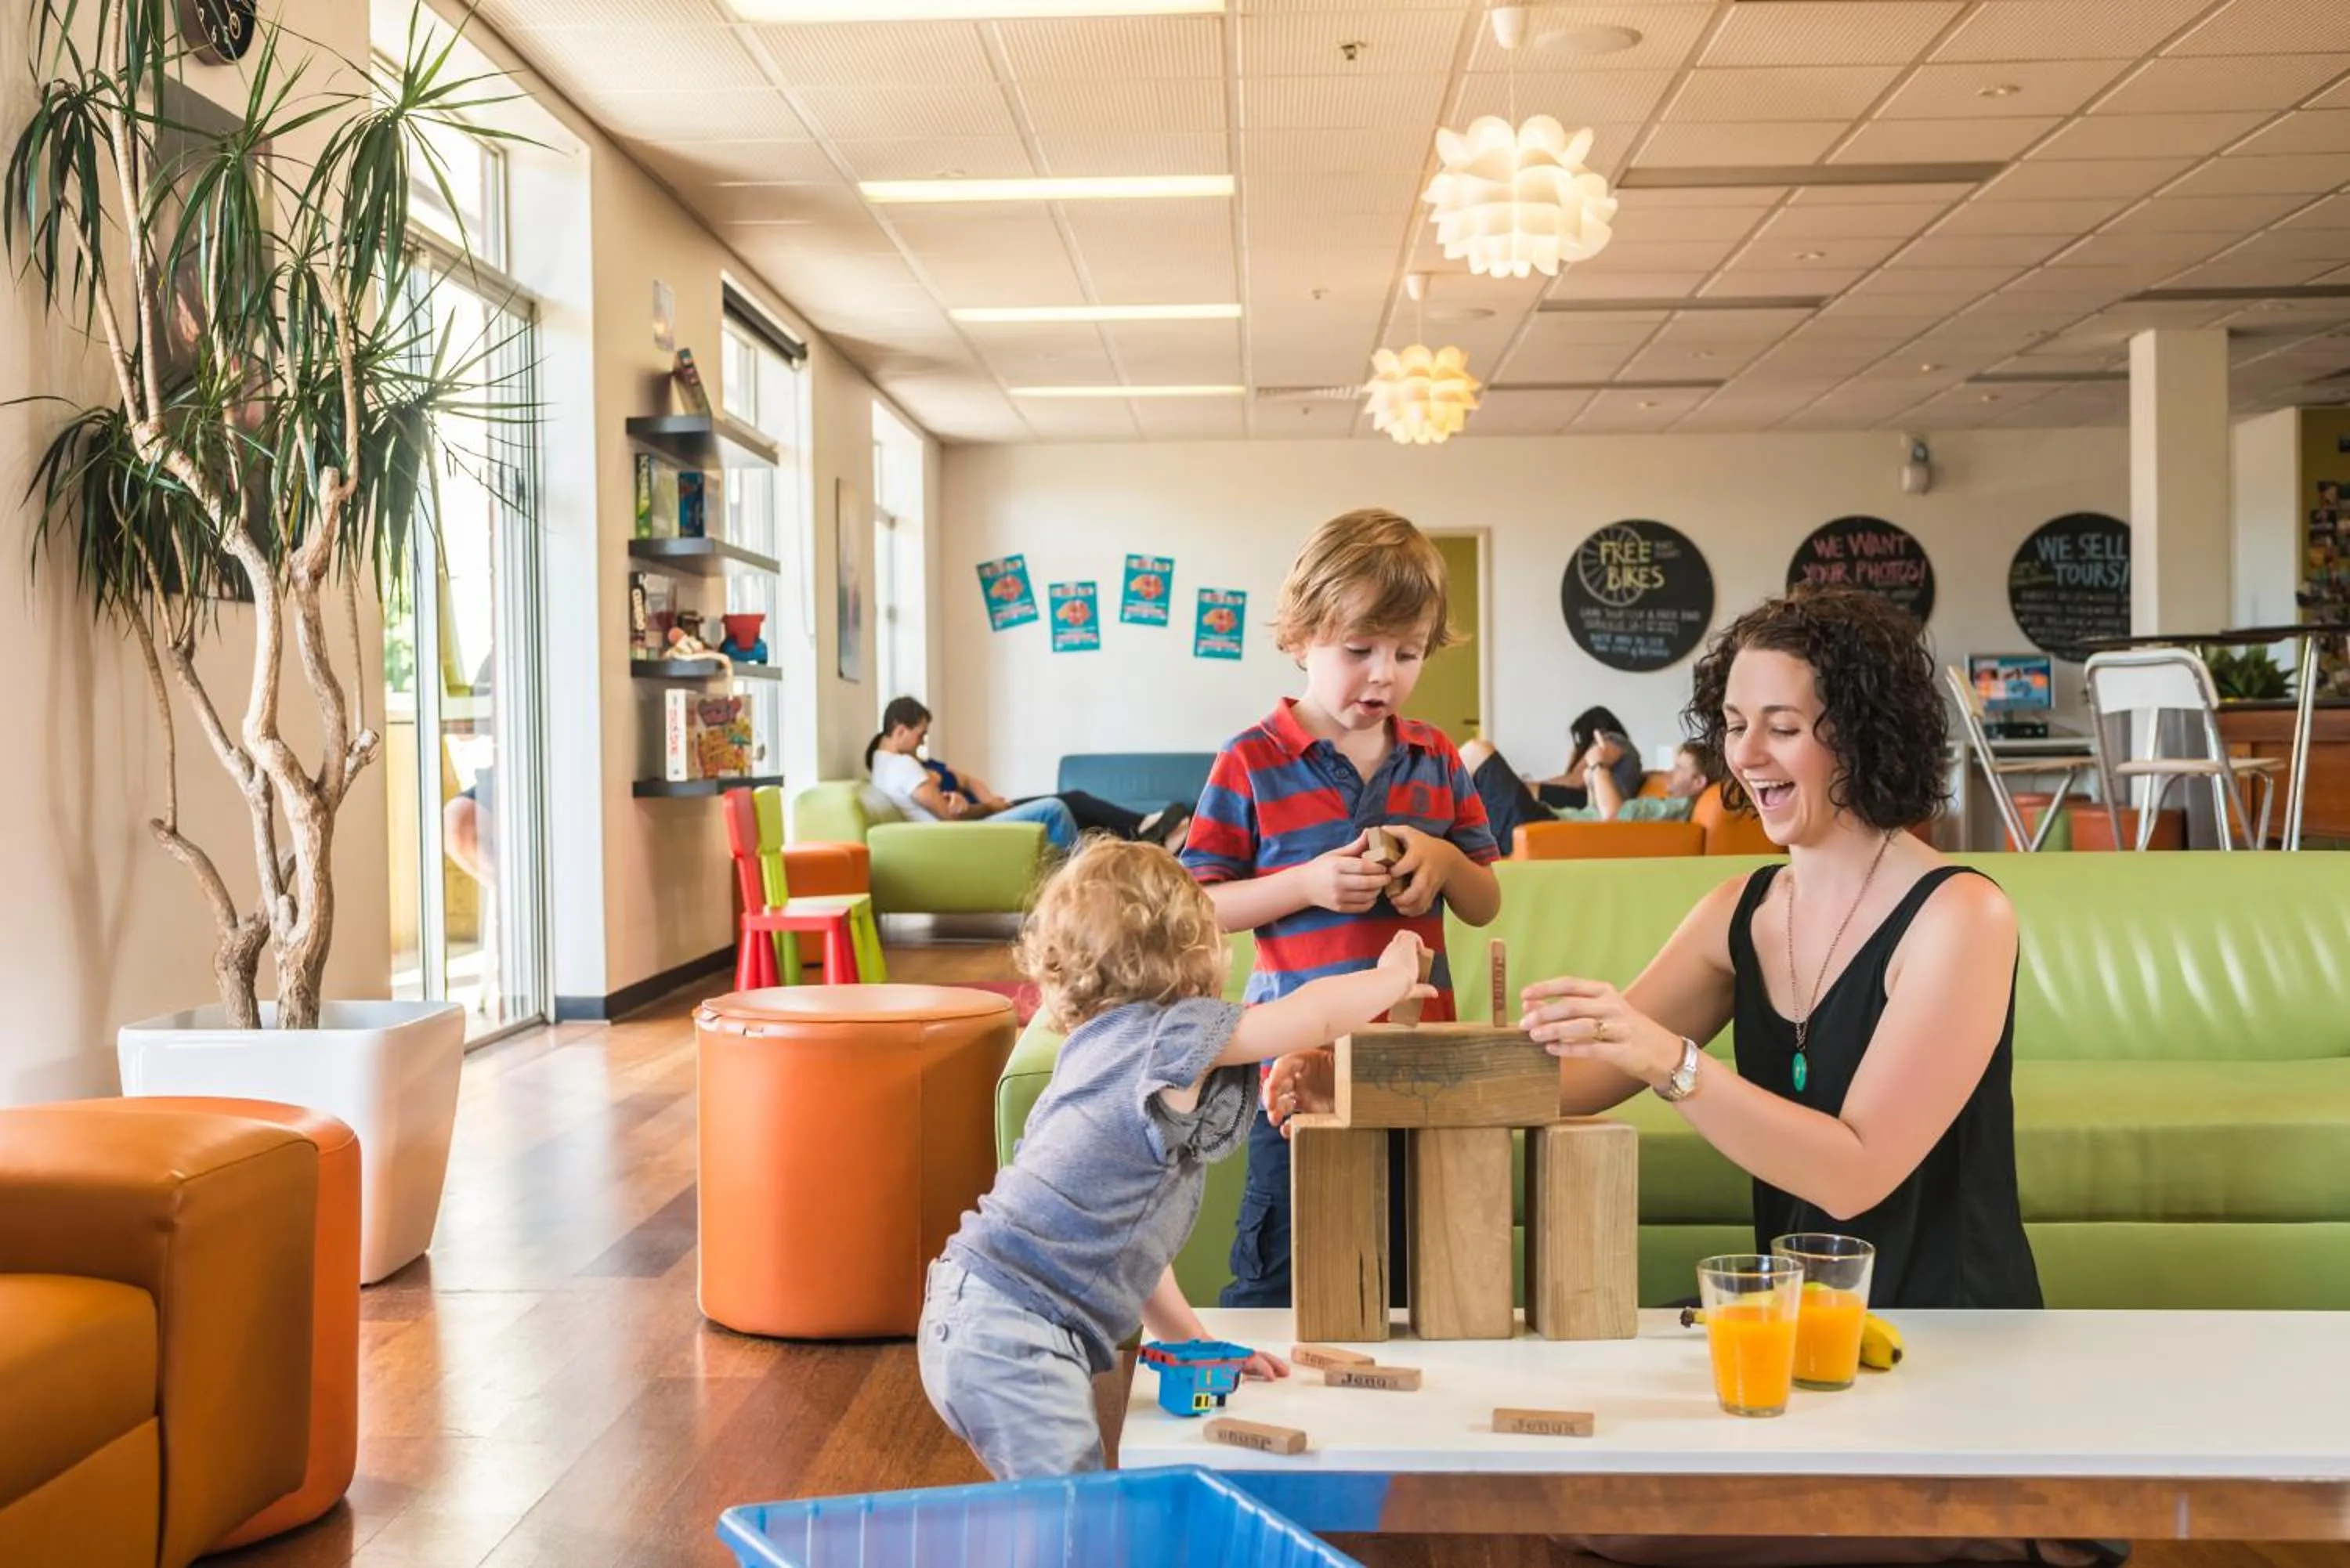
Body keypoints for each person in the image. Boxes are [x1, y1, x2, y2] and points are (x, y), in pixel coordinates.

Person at [1498, 587, 2092, 1567]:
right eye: (1734, 725)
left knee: (1606, 1528)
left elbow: (1853, 1173)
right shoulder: (1742, 908)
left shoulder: (1960, 916)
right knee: (1571, 1511)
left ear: (1860, 736)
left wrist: (1673, 1062)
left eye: (1782, 727)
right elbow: (1574, 1080)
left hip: (1947, 1355)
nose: (1747, 756)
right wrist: (1361, 1068)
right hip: (1799, 1358)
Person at [918, 837, 1434, 1479]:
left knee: (1045, 1520)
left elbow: (1132, 1247)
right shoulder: (1174, 1031)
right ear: (1195, 948)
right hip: (1017, 1331)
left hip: (968, 1308)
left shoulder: (1093, 1048)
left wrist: (1192, 1339)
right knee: (1075, 1527)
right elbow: (1313, 1017)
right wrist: (1395, 975)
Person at [1180, 507, 1502, 1310]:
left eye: (1408, 652)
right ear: (1300, 638)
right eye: (1358, 650)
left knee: (1422, 1258)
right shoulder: (1250, 760)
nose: (1384, 674)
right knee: (1283, 1265)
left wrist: (1444, 859)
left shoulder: (1437, 759)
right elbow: (1199, 908)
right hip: (1295, 1067)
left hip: (1421, 1063)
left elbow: (1486, 899)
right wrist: (1306, 885)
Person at [864, 697, 1190, 851]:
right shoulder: (903, 766)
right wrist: (982, 807)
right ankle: (1141, 834)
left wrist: (983, 801)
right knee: (1059, 806)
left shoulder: (884, 764)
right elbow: (950, 821)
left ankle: (1145, 831)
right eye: (919, 735)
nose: (922, 742)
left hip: (971, 821)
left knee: (1071, 801)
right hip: (963, 832)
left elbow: (948, 799)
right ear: (899, 730)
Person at [1461, 735, 1716, 851]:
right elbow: (1599, 815)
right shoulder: (1665, 804)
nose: (1669, 772)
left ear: (1698, 782)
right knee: (1472, 775)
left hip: (1544, 824)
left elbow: (1613, 815)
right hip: (1545, 822)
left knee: (1478, 750)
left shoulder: (1676, 808)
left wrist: (1598, 764)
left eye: (1680, 768)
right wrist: (1593, 782)